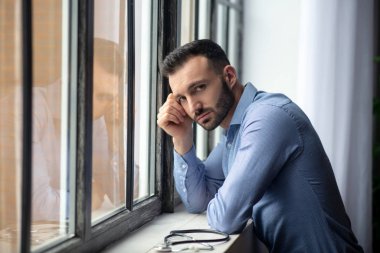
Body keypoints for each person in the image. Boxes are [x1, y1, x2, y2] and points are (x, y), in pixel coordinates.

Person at [157, 39, 363, 253]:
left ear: (229, 76)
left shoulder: (266, 118)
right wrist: (182, 138)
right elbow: (198, 200)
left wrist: (227, 197)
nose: (193, 107)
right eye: (182, 98)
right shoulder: (235, 131)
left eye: (199, 88)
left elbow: (226, 218)